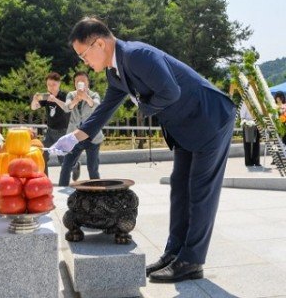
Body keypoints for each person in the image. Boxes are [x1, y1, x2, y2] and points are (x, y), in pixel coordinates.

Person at [49, 17, 236, 283]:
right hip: (185, 126)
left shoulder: (138, 55)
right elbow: (103, 112)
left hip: (209, 118)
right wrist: (73, 138)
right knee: (179, 187)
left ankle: (192, 261)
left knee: (200, 190)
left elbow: (170, 92)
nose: (84, 63)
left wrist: (143, 105)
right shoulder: (115, 73)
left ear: (99, 43)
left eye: (83, 55)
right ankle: (174, 254)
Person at [57, 72, 104, 185]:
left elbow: (97, 107)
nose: (81, 83)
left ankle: (97, 191)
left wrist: (86, 98)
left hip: (92, 138)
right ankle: (61, 190)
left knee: (92, 168)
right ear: (75, 84)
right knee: (66, 166)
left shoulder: (94, 95)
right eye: (78, 82)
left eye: (83, 81)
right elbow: (67, 108)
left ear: (88, 83)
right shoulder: (71, 95)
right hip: (75, 136)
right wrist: (76, 100)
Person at [30, 72, 70, 175]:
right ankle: (45, 179)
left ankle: (74, 167)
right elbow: (33, 107)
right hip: (49, 132)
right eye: (49, 85)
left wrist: (55, 100)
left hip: (63, 132)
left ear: (59, 84)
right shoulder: (46, 97)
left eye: (54, 85)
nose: (51, 87)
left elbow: (67, 108)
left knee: (63, 159)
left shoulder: (65, 95)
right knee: (42, 154)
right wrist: (34, 100)